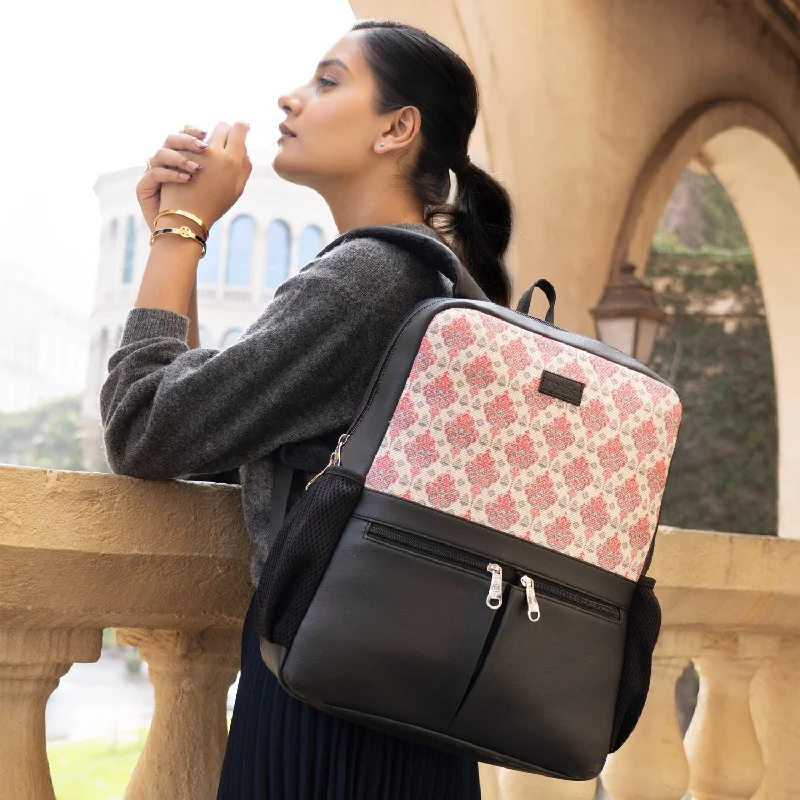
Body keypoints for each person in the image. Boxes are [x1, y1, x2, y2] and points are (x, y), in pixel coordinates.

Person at [100, 17, 514, 800]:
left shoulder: (370, 279)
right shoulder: (437, 279)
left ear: (398, 128)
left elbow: (143, 430)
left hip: (328, 697)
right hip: (406, 691)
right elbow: (212, 432)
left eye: (328, 81)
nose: (290, 98)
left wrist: (177, 232)